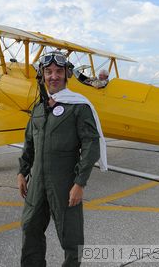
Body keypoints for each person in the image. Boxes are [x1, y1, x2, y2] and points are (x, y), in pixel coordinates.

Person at [17, 51, 107, 267]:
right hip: (37, 181)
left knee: (71, 237)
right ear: (43, 75)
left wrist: (79, 183)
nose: (53, 76)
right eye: (48, 72)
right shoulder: (38, 108)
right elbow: (29, 142)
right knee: (30, 228)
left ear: (67, 75)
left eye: (58, 71)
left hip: (65, 182)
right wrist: (22, 171)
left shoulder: (78, 107)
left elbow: (91, 144)